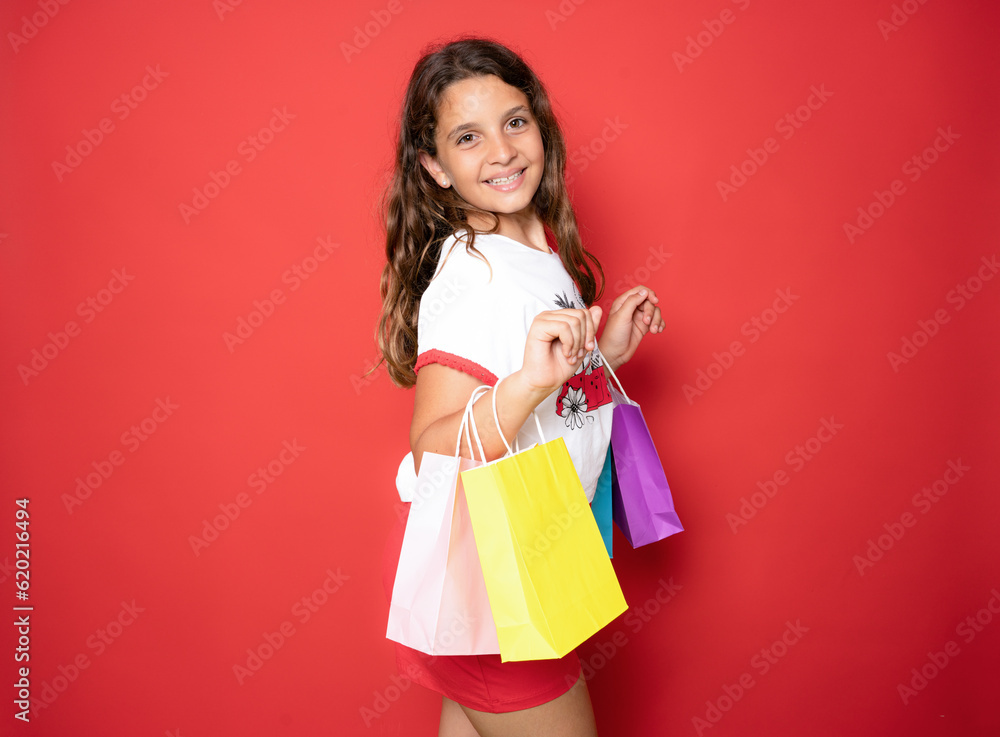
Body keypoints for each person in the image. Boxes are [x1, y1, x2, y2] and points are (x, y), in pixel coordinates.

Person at [374, 36, 664, 736]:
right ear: (434, 167)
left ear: (540, 126)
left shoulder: (529, 247)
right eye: (467, 138)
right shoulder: (475, 275)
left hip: (535, 555)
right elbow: (434, 440)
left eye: (514, 122)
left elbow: (539, 386)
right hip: (499, 579)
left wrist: (604, 354)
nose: (501, 150)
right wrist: (533, 382)